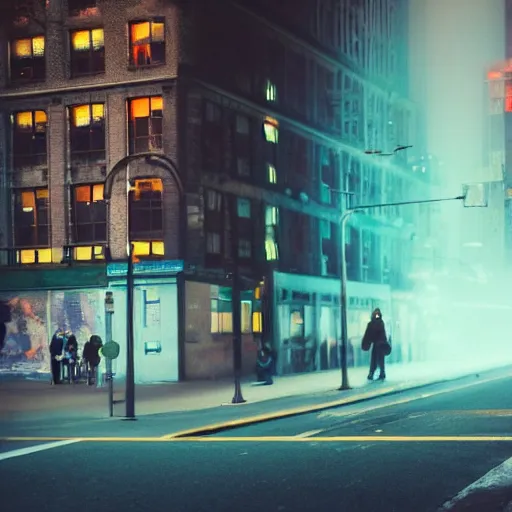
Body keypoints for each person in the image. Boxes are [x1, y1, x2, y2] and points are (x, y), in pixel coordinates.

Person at [362, 308, 388, 381]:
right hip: (379, 344)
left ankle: (374, 373)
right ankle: (377, 373)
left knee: (377, 360)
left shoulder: (375, 323)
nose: (377, 315)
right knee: (378, 360)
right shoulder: (379, 323)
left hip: (379, 344)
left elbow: (369, 334)